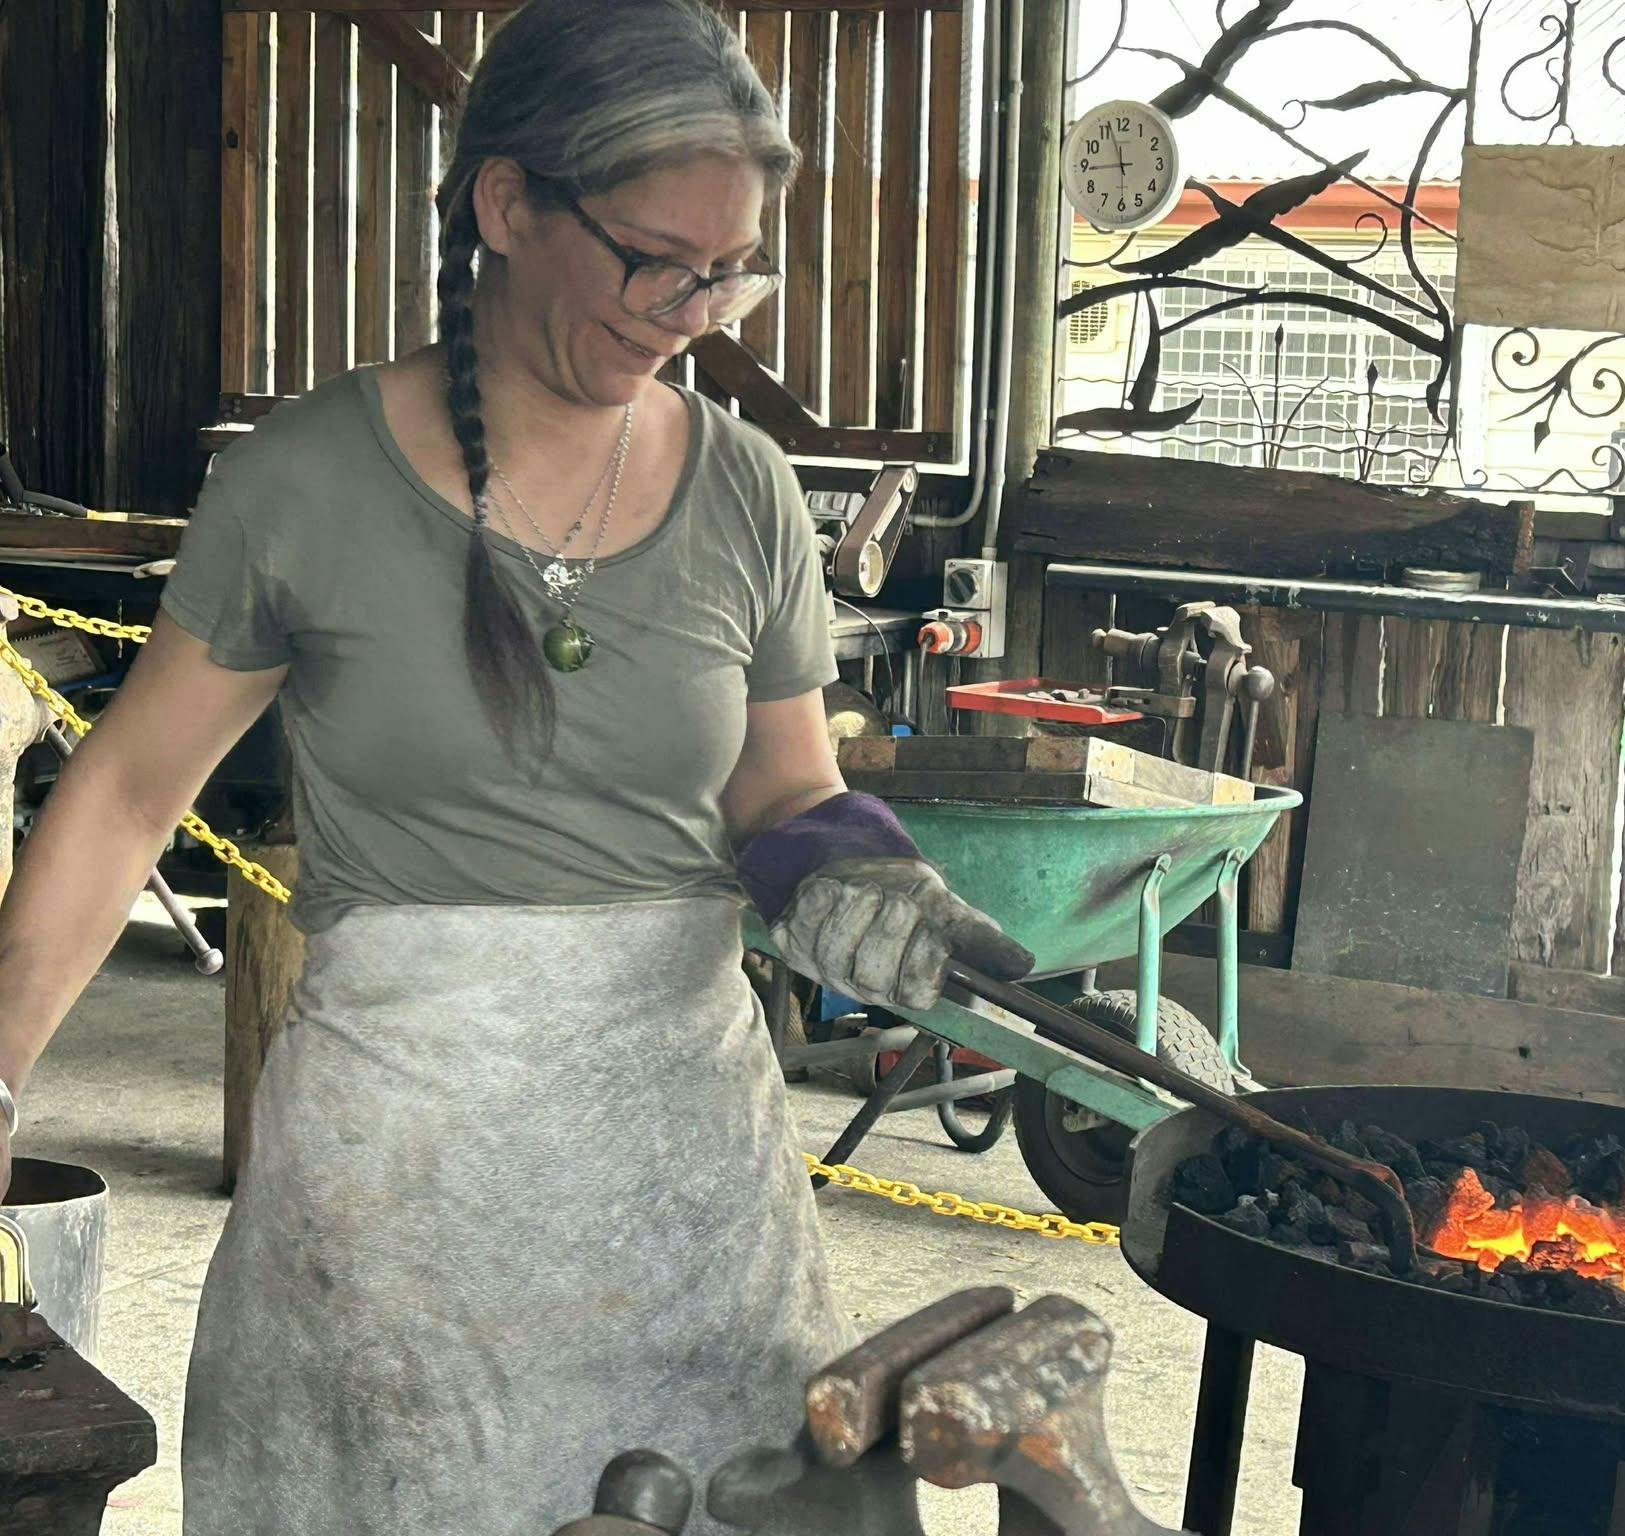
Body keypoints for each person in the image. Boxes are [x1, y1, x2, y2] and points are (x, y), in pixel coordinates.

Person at [0, 2, 1029, 1529]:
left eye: (727, 269)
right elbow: (128, 793)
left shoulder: (743, 487)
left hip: (686, 1167)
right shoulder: (300, 482)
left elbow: (778, 792)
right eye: (652, 259)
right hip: (398, 1174)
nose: (693, 309)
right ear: (507, 205)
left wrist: (854, 866)